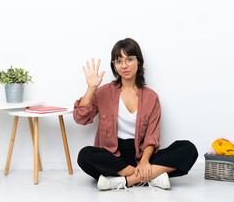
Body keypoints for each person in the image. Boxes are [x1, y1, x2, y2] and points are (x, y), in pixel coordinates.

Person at [73, 38, 198, 190]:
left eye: (129, 59)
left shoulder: (151, 97)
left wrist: (145, 161)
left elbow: (152, 137)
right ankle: (151, 177)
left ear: (139, 61)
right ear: (114, 65)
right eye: (118, 61)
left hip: (143, 155)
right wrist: (91, 88)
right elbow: (81, 118)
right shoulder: (103, 92)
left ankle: (124, 181)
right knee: (85, 155)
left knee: (188, 149)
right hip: (113, 157)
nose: (124, 65)